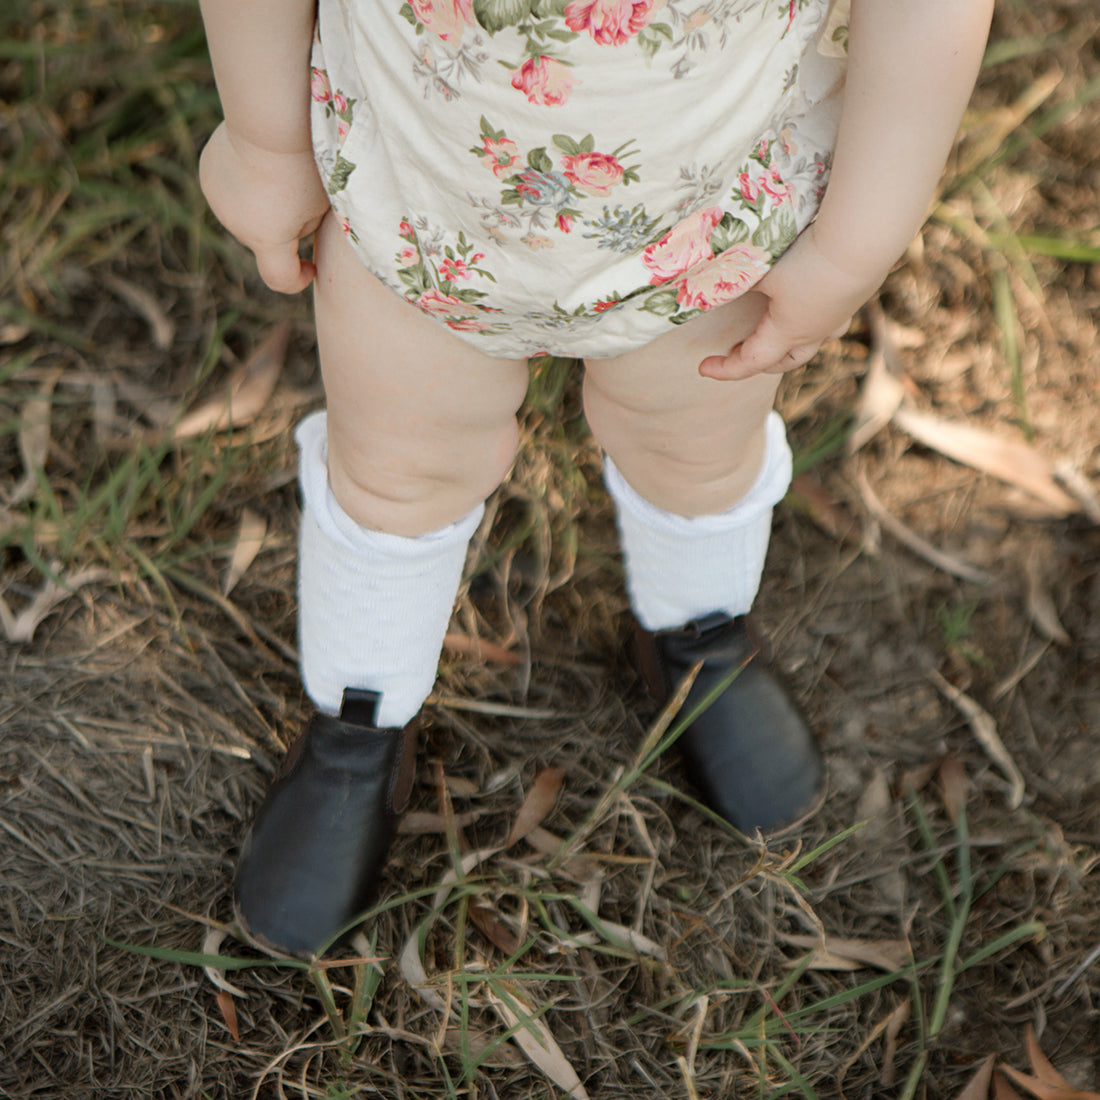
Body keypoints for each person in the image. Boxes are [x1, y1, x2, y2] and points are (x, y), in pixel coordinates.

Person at [197, 0, 994, 956]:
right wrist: (267, 140)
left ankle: (696, 628)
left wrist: (857, 241)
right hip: (417, 193)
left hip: (712, 214)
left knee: (691, 443)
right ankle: (360, 717)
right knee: (400, 464)